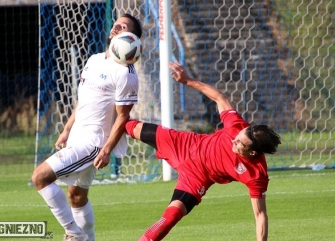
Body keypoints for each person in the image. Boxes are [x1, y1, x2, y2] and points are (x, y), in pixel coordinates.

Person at [119, 62, 281, 241]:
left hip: (197, 177)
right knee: (125, 124)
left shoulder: (256, 174)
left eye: (240, 144)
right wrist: (188, 80)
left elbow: (260, 215)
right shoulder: (237, 127)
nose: (234, 140)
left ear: (252, 153)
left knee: (172, 216)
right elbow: (220, 98)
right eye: (238, 136)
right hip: (185, 145)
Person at [31, 13, 143, 241]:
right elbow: (83, 100)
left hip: (93, 144)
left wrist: (106, 150)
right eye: (116, 23)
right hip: (77, 137)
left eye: (124, 27)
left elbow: (123, 117)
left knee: (40, 177)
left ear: (132, 39)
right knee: (76, 196)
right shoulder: (94, 60)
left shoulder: (126, 73)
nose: (116, 27)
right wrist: (67, 129)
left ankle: (74, 235)